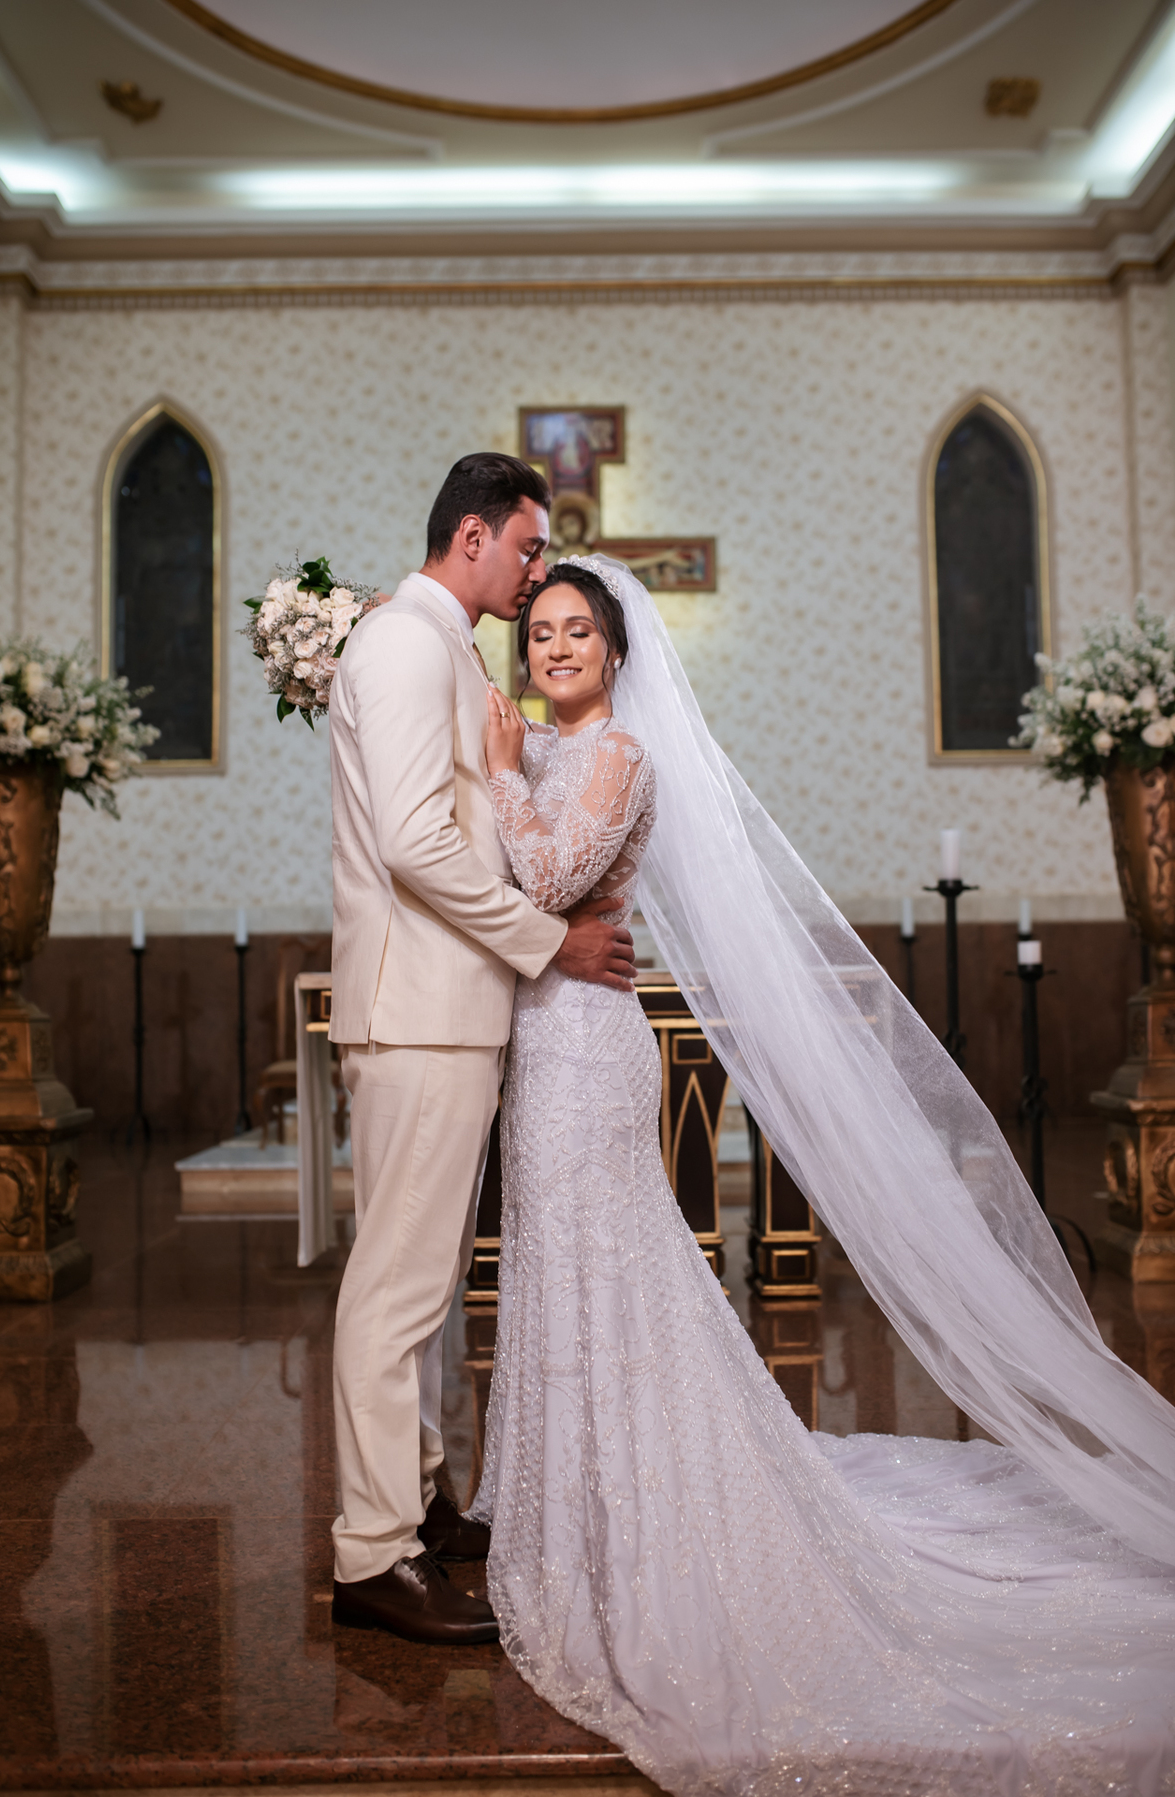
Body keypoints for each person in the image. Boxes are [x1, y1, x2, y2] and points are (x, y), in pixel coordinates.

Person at [475, 552, 1175, 1797]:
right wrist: (501, 757)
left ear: (619, 652)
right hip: (540, 1048)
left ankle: (639, 1513)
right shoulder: (535, 750)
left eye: (577, 632)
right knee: (563, 1275)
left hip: (590, 1054)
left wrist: (493, 762)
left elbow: (540, 879)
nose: (556, 650)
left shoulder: (622, 757)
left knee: (615, 1277)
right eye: (539, 635)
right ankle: (574, 1509)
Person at [327, 457, 636, 1646]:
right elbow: (413, 842)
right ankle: (371, 1553)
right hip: (421, 1006)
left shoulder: (432, 644)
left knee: (419, 1284)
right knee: (397, 1289)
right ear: (471, 537)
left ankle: (414, 1500)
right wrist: (547, 939)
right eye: (524, 550)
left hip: (444, 1005)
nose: (535, 572)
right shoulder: (406, 645)